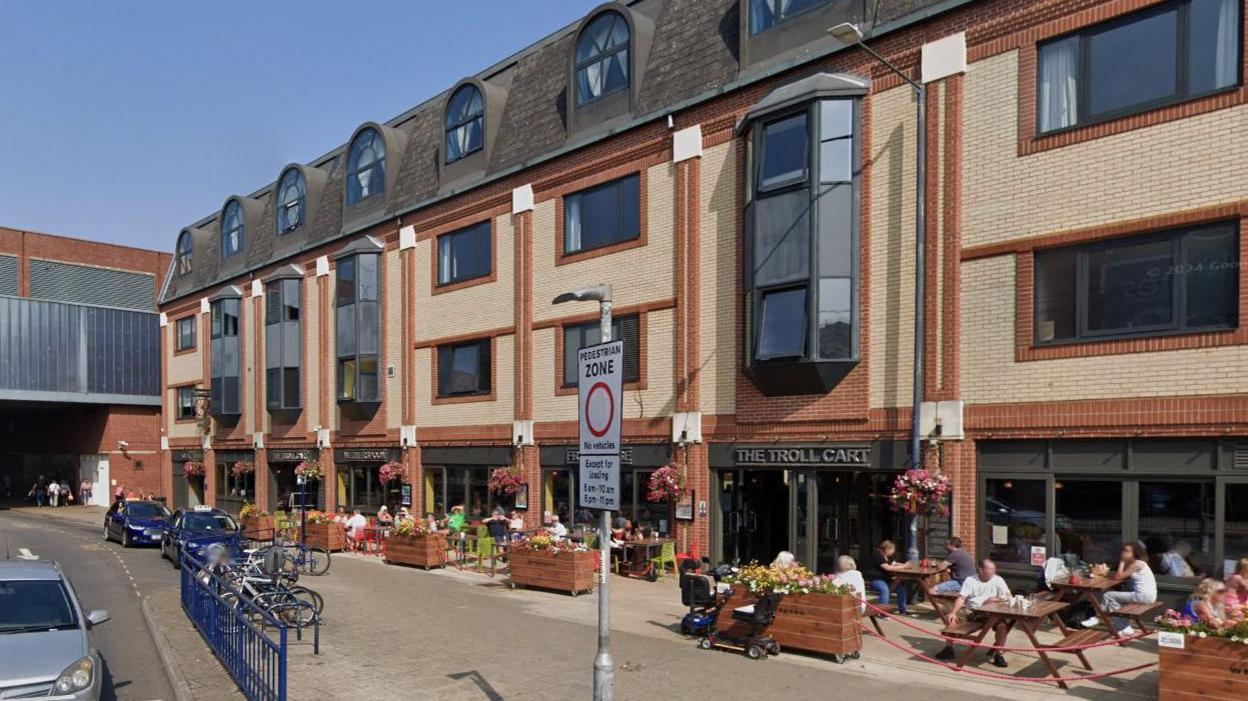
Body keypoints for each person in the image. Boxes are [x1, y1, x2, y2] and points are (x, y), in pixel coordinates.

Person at [937, 558, 1012, 668]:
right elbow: (961, 598)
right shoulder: (970, 580)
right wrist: (953, 612)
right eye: (990, 569)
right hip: (973, 612)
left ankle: (998, 654)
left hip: (991, 613)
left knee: (1002, 626)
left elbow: (1008, 596)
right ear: (981, 570)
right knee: (950, 617)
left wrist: (993, 600)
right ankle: (948, 649)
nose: (993, 572)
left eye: (993, 569)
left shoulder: (998, 580)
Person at [1082, 543, 1157, 635]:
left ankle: (1099, 617)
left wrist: (1122, 562)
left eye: (1126, 551)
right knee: (1114, 602)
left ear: (1134, 553)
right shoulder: (1137, 564)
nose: (1123, 552)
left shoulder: (1137, 564)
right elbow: (1121, 577)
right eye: (1123, 550)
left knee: (1108, 595)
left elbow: (1118, 577)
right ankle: (1124, 627)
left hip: (1144, 596)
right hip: (1146, 595)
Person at [865, 540, 909, 615]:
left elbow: (894, 564)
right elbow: (888, 568)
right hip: (876, 579)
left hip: (886, 579)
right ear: (887, 549)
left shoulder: (888, 557)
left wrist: (907, 565)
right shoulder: (878, 556)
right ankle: (883, 613)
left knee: (901, 588)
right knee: (884, 590)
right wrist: (904, 566)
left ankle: (903, 610)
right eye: (892, 549)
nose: (893, 551)